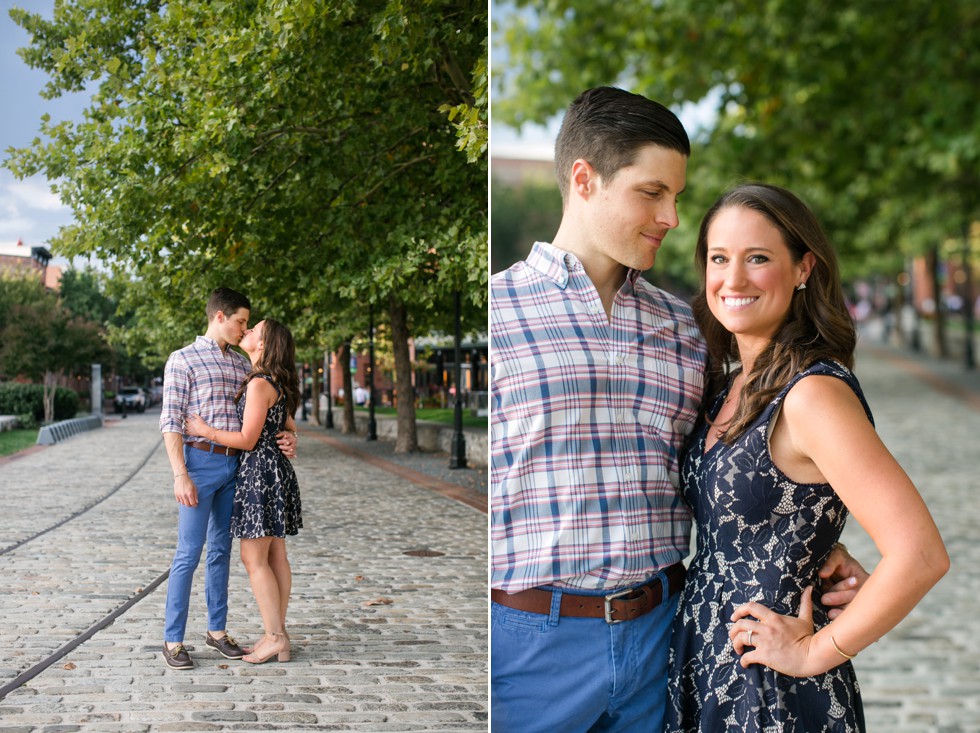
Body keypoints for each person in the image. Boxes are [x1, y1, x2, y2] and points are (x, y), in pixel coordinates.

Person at [489, 87, 868, 733]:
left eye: (677, 196)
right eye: (651, 192)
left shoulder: (689, 330)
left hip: (668, 641)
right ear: (585, 179)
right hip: (530, 645)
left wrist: (811, 545)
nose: (670, 215)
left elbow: (747, 456)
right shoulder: (498, 311)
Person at [666, 183, 949, 731]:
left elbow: (920, 555)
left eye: (759, 259)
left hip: (775, 690)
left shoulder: (811, 394)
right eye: (720, 259)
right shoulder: (728, 388)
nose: (734, 279)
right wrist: (817, 544)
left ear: (803, 268)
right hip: (702, 664)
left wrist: (815, 654)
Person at [159, 288, 297, 670]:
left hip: (238, 467)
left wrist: (291, 435)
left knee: (221, 552)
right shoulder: (182, 360)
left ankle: (217, 632)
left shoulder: (242, 365)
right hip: (199, 464)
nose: (244, 328)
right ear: (219, 317)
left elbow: (271, 413)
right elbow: (170, 421)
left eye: (248, 324)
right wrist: (180, 474)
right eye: (240, 321)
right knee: (188, 553)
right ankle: (173, 639)